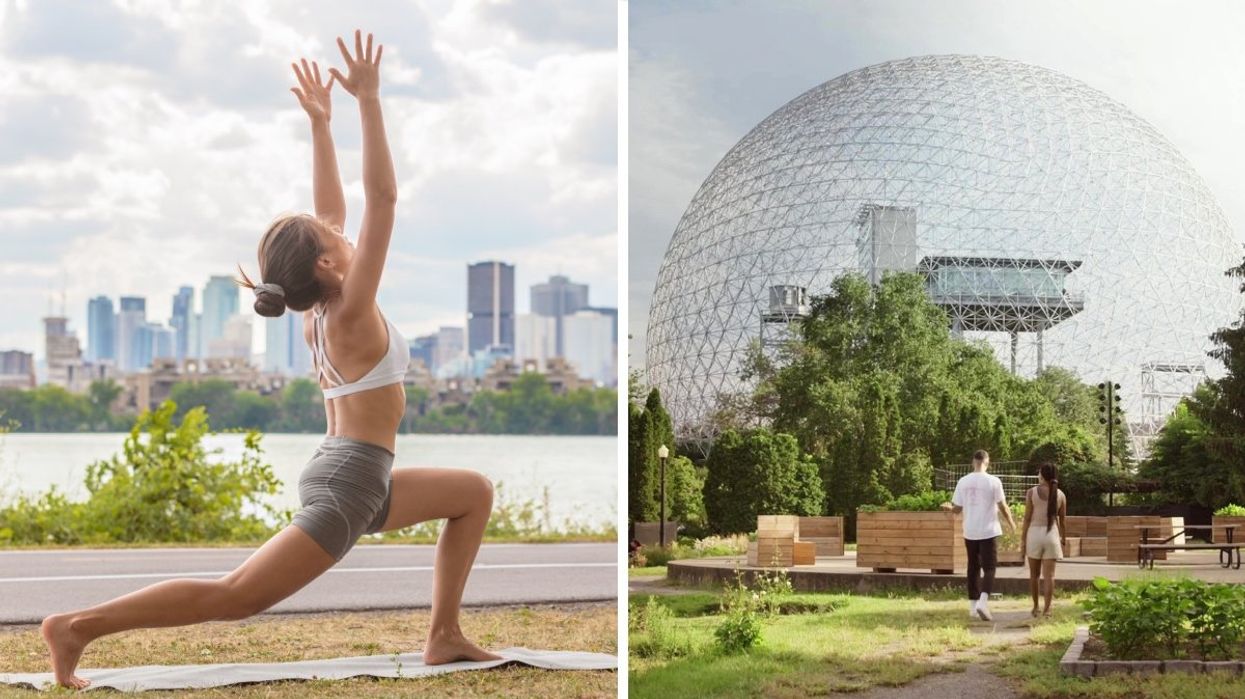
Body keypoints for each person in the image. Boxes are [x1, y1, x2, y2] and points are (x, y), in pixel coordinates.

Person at [40, 31, 500, 689]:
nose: (342, 230)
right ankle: (76, 626)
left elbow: (334, 210)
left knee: (473, 492)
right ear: (327, 262)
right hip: (349, 484)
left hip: (360, 474)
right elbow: (382, 202)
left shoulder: (321, 306)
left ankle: (443, 633)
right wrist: (369, 102)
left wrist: (320, 124)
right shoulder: (347, 310)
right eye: (336, 237)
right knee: (237, 595)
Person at [944, 449, 1015, 622]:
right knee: (990, 567)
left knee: (973, 567)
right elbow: (1003, 506)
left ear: (973, 462)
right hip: (988, 530)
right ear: (987, 461)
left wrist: (948, 508)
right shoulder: (993, 481)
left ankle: (973, 607)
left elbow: (958, 508)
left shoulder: (963, 481)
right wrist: (1011, 523)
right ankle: (983, 601)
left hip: (970, 530)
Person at [1021, 463, 1067, 617]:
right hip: (1052, 534)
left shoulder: (1031, 492)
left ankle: (1035, 607)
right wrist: (1063, 539)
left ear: (1042, 475)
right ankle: (1047, 610)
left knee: (1034, 575)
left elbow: (1027, 518)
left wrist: (1022, 539)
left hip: (1034, 534)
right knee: (1050, 576)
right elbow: (1063, 521)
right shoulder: (1060, 495)